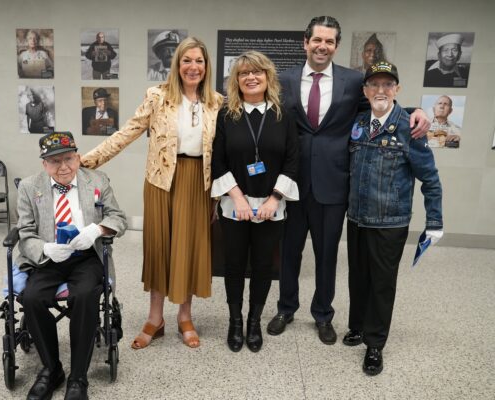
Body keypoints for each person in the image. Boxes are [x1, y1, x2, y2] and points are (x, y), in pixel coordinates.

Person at [267, 16, 430, 344]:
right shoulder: (282, 80)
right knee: (289, 252)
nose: (322, 46)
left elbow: (380, 102)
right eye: (317, 40)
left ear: (336, 46)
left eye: (329, 41)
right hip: (293, 182)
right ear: (305, 42)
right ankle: (286, 308)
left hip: (333, 182)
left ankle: (323, 314)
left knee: (327, 253)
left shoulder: (353, 80)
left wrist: (416, 110)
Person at [81, 37, 224, 350]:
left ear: (206, 65)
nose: (193, 67)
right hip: (161, 181)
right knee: (159, 248)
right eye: (187, 60)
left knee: (188, 250)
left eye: (199, 61)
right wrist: (88, 159)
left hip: (198, 183)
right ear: (177, 64)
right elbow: (128, 132)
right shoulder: (157, 97)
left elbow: (226, 151)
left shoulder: (216, 101)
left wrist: (220, 196)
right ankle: (155, 317)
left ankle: (185, 317)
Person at [345, 61, 443, 375]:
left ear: (397, 90)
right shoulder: (358, 122)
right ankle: (358, 326)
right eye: (374, 84)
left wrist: (435, 220)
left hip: (390, 222)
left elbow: (430, 179)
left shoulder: (411, 127)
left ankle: (375, 344)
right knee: (358, 277)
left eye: (388, 85)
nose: (381, 90)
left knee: (382, 284)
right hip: (357, 217)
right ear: (365, 91)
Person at [17, 131, 127, 400]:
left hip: (87, 256)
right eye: (54, 161)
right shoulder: (30, 186)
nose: (63, 167)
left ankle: (78, 377)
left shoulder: (98, 180)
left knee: (85, 295)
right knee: (31, 298)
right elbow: (24, 231)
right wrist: (44, 249)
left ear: (78, 158)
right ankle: (52, 369)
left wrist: (98, 229)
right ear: (44, 164)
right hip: (49, 257)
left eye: (68, 159)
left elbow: (118, 218)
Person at [211, 51, 299, 353]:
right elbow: (218, 161)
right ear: (236, 80)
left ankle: (254, 321)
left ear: (267, 77)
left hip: (271, 207)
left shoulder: (283, 114)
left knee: (263, 266)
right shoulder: (226, 115)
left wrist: (274, 199)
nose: (251, 77)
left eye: (257, 72)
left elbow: (292, 160)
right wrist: (238, 199)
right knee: (233, 265)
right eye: (244, 73)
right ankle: (235, 322)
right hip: (234, 206)